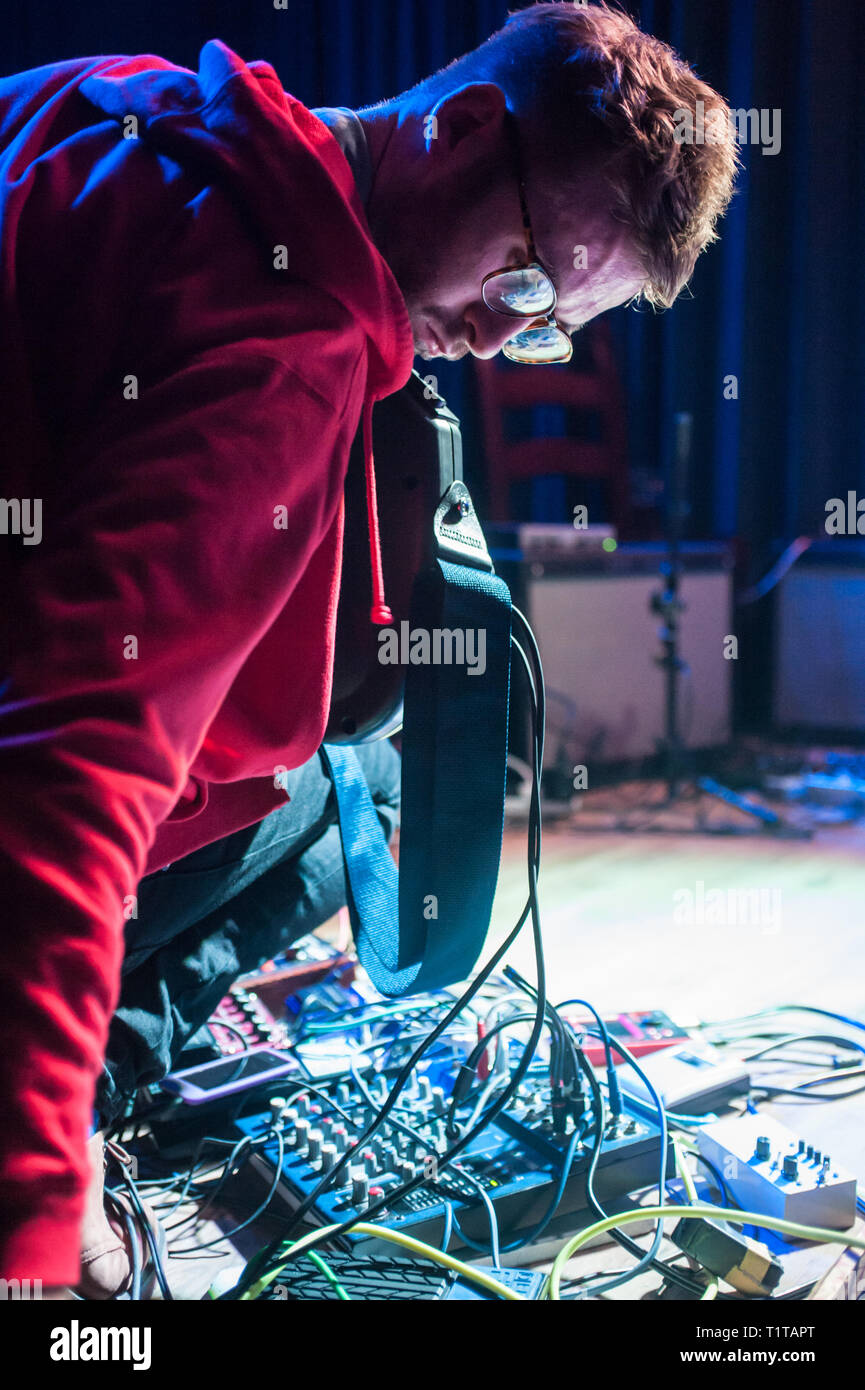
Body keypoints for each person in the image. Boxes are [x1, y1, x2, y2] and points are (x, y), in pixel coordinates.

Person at [0, 1, 737, 1295]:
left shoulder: (111, 96)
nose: (505, 340)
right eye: (520, 281)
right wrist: (36, 1230)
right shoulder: (288, 342)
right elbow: (65, 775)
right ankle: (88, 1092)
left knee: (341, 755)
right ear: (458, 127)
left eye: (550, 320)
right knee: (355, 777)